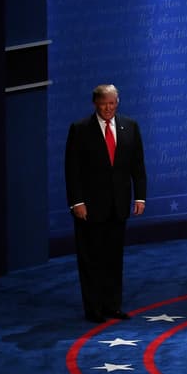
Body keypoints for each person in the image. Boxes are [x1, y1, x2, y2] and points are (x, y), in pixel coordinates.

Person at [64, 84, 147, 323]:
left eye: (112, 103)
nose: (108, 108)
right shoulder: (80, 130)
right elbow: (72, 171)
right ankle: (94, 309)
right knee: (92, 259)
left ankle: (112, 305)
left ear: (117, 102)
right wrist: (77, 202)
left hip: (118, 205)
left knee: (113, 258)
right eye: (103, 103)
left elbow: (137, 166)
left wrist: (140, 196)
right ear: (95, 103)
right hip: (89, 207)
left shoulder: (130, 126)